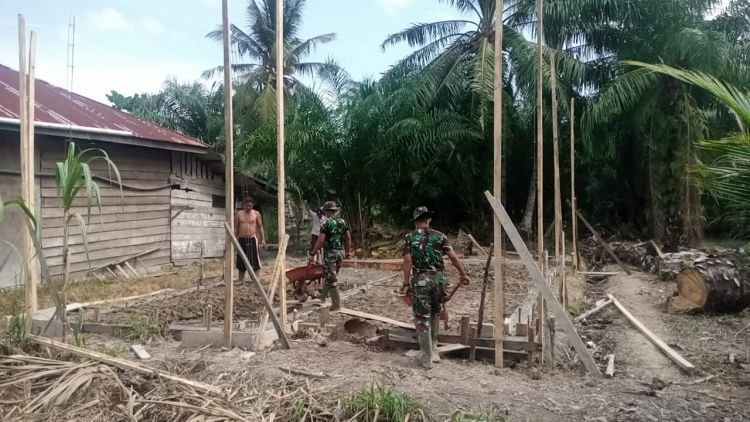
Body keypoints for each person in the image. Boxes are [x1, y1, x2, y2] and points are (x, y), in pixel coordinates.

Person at [401, 206, 469, 369]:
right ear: (428, 219)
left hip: (421, 280)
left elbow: (408, 260)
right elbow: (453, 258)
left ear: (416, 221)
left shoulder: (410, 237)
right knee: (435, 312)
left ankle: (426, 357)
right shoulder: (440, 236)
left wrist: (405, 282)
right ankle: (434, 349)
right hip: (439, 280)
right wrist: (463, 274)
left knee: (422, 318)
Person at [309, 201, 352, 311]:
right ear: (335, 211)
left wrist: (313, 253)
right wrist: (348, 252)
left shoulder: (326, 224)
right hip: (340, 252)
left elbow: (321, 240)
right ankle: (322, 297)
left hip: (330, 254)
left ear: (327, 211)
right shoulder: (342, 222)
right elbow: (348, 238)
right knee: (330, 275)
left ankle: (336, 305)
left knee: (331, 278)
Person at [234, 197, 265, 281]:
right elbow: (236, 227)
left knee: (254, 259)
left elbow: (260, 226)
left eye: (250, 206)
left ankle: (256, 279)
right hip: (241, 239)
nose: (248, 207)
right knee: (241, 258)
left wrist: (263, 239)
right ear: (244, 205)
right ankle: (241, 279)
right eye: (247, 206)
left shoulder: (256, 214)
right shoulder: (239, 214)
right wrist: (234, 238)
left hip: (252, 239)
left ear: (252, 205)